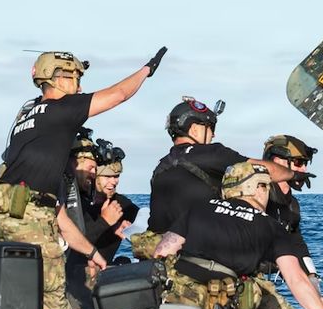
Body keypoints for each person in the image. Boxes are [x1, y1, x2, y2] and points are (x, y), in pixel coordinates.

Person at [0, 47, 166, 309]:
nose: (79, 86)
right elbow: (119, 94)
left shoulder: (24, 118)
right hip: (37, 229)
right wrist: (146, 70)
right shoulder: (62, 109)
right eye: (75, 78)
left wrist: (94, 254)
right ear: (56, 78)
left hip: (3, 228)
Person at [152, 162, 323, 309]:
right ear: (256, 188)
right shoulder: (272, 226)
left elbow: (162, 252)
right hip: (224, 298)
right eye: (266, 187)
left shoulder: (198, 208)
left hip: (179, 291)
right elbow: (296, 280)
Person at [129, 97, 311, 259]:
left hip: (159, 256)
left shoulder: (161, 167)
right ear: (193, 129)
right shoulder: (213, 153)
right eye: (210, 127)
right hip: (196, 254)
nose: (214, 134)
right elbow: (260, 169)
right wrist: (295, 174)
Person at [261, 134, 323, 303]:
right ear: (277, 161)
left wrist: (313, 283)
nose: (303, 170)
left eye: (305, 164)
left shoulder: (292, 206)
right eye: (298, 163)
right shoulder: (257, 195)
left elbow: (297, 244)